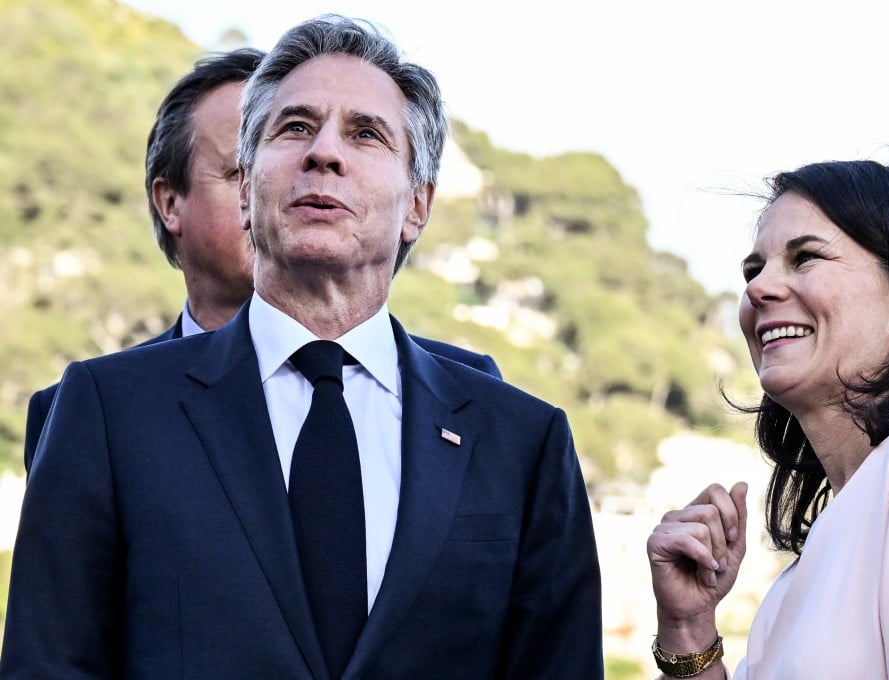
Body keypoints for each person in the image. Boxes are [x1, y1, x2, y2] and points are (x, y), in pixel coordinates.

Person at [1, 14, 601, 679]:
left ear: (418, 206)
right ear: (247, 189)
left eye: (366, 133)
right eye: (293, 127)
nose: (324, 153)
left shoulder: (523, 442)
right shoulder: (109, 411)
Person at [22, 47, 501, 475]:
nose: (306, 176)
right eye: (239, 170)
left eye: (361, 136)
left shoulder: (472, 394)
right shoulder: (96, 405)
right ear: (170, 203)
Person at [645, 160, 889, 679]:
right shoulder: (794, 584)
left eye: (805, 258)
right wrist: (688, 629)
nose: (757, 289)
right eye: (754, 270)